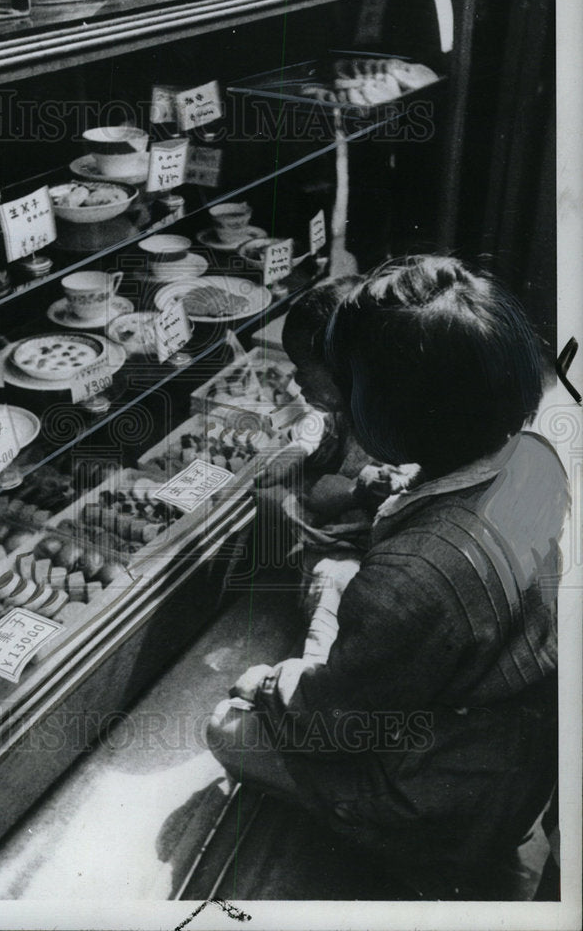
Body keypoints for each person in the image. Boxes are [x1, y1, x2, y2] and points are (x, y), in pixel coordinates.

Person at [207, 256, 568, 899]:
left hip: (443, 795)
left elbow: (335, 721)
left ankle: (407, 854)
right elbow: (446, 507)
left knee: (226, 726)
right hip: (518, 759)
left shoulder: (414, 574)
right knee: (339, 580)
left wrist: (268, 684)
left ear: (390, 410)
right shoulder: (534, 457)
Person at [254, 276, 421, 662]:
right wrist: (299, 449)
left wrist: (362, 490)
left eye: (304, 369)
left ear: (345, 370)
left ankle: (313, 678)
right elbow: (321, 421)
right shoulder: (347, 404)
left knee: (333, 583)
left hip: (377, 548)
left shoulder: (397, 424)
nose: (295, 382)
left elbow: (409, 494)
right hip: (337, 531)